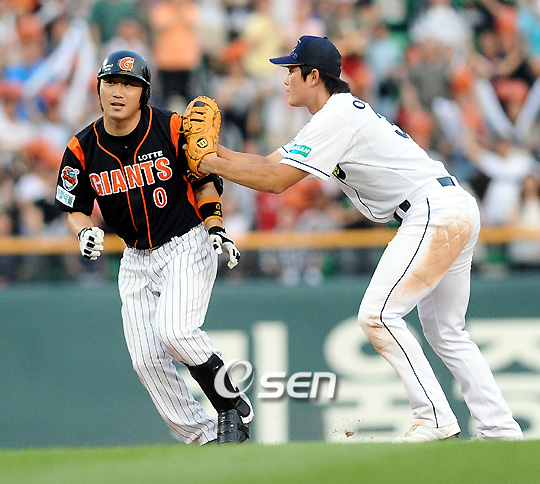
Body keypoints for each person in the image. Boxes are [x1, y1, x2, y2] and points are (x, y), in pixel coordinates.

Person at [196, 36, 523, 442]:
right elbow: (266, 162)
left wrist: (208, 163)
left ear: (313, 77)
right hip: (451, 206)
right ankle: (499, 427)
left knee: (378, 315)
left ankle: (435, 417)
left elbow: (276, 181)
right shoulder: (335, 114)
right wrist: (214, 152)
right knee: (447, 332)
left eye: (292, 70)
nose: (285, 79)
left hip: (433, 211)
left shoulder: (335, 117)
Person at [54, 50, 253, 445]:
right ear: (99, 87)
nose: (118, 91)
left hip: (185, 242)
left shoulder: (171, 127)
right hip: (134, 258)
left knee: (175, 331)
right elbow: (73, 206)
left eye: (130, 84)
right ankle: (204, 438)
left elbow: (204, 181)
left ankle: (231, 403)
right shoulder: (82, 147)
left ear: (143, 93)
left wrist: (216, 226)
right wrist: (82, 231)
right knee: (145, 359)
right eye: (111, 82)